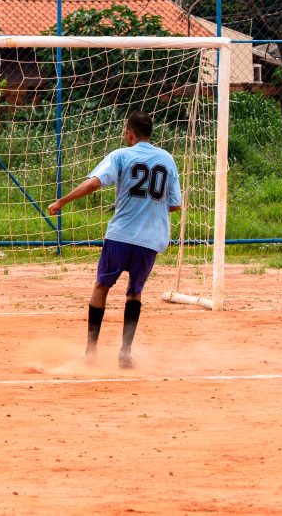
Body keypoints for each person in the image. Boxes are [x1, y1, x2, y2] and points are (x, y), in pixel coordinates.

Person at [48, 110, 181, 368]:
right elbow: (175, 205)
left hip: (121, 235)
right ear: (150, 134)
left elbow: (94, 183)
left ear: (129, 134)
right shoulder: (168, 160)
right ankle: (125, 352)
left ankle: (90, 353)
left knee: (102, 287)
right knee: (135, 293)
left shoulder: (121, 155)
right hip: (150, 240)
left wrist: (62, 201)